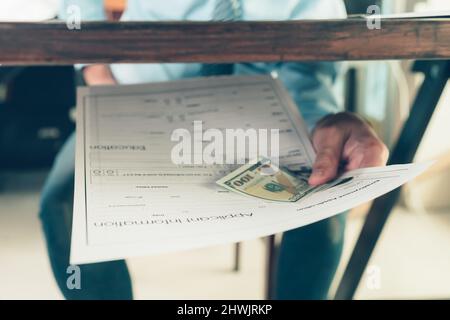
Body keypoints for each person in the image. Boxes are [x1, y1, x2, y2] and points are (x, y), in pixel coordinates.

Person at [39, 0, 389, 300]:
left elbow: (310, 82)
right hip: (142, 91)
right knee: (67, 198)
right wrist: (96, 71)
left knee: (324, 191)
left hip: (267, 109)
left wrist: (325, 123)